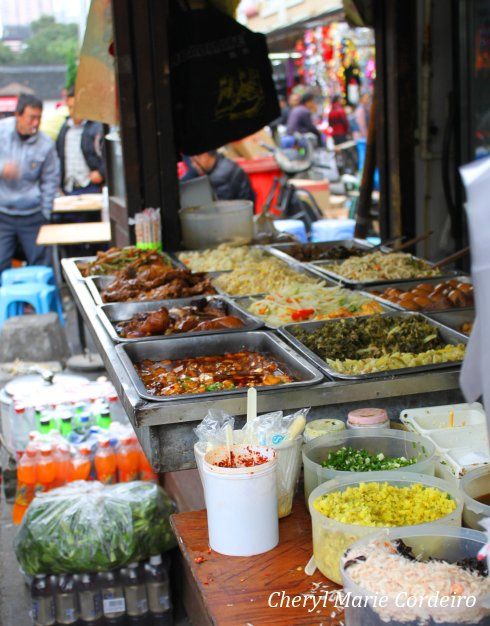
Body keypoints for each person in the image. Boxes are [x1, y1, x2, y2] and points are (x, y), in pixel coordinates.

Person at [0, 94, 60, 275]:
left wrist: (45, 210)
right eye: (31, 117)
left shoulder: (46, 144)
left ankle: (37, 303)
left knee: (41, 266)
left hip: (33, 214)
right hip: (2, 213)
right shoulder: (1, 131)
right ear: (18, 115)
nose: (35, 123)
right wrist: (2, 169)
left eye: (39, 118)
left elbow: (51, 179)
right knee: (1, 262)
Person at [56, 87, 105, 196]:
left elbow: (109, 157)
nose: (73, 112)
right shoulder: (64, 129)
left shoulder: (96, 128)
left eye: (76, 108)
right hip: (69, 187)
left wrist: (101, 173)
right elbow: (59, 156)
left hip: (90, 186)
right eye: (70, 107)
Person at [182, 151, 255, 203]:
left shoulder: (220, 176)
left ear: (204, 155)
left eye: (194, 161)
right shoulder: (221, 163)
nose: (193, 165)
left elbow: (219, 208)